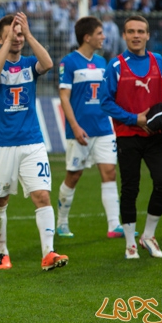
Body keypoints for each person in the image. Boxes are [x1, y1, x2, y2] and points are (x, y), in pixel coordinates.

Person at [0, 12, 68, 271]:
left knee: (42, 195)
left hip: (32, 141)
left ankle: (48, 253)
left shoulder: (31, 64)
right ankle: (2, 252)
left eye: (19, 34)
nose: (17, 38)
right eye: (11, 34)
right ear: (0, 38)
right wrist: (9, 41)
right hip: (2, 144)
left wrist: (29, 34)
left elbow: (49, 63)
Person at [101, 15, 162, 259]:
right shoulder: (115, 66)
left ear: (148, 35)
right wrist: (135, 119)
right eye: (131, 31)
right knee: (130, 189)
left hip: (156, 136)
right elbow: (105, 102)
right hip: (128, 136)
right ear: (124, 36)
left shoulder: (159, 62)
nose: (136, 35)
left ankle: (148, 235)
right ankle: (130, 243)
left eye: (141, 31)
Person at [56, 16, 123, 239]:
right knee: (73, 176)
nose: (103, 37)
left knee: (110, 172)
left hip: (103, 128)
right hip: (80, 130)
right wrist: (74, 126)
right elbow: (64, 97)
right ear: (87, 37)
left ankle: (114, 225)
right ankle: (62, 222)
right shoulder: (69, 62)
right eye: (99, 33)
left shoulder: (103, 62)